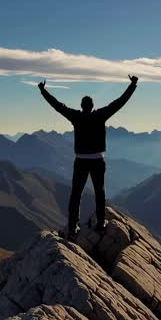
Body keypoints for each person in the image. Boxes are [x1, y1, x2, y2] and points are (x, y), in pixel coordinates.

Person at [38, 75, 138, 235]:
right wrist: (133, 84)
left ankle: (72, 226)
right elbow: (120, 102)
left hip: (81, 161)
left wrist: (43, 91)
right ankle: (100, 223)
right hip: (98, 160)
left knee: (76, 193)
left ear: (82, 105)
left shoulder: (76, 117)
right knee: (100, 191)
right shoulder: (101, 115)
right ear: (92, 106)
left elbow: (58, 106)